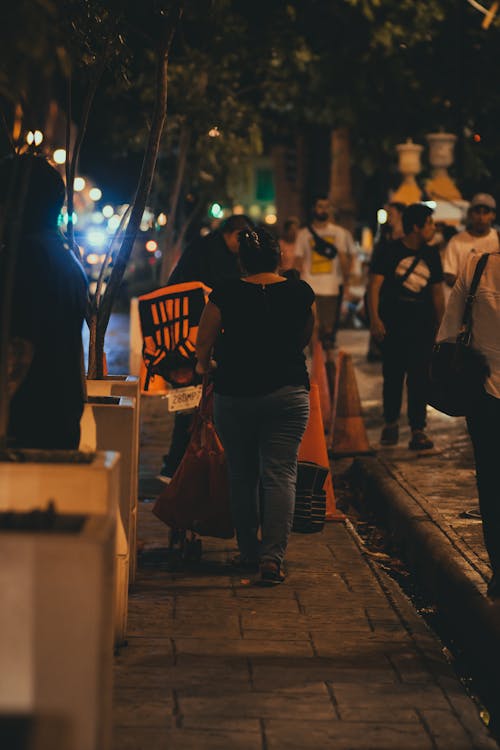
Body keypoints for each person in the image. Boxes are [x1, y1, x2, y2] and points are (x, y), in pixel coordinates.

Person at [195, 228, 314, 585]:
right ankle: (272, 560)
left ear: (242, 260)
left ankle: (248, 552)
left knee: (242, 475)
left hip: (236, 394)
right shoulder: (299, 292)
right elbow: (305, 337)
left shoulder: (226, 293)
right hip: (289, 394)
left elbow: (204, 343)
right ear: (278, 257)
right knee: (280, 475)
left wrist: (207, 365)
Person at [158, 213, 253, 482]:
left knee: (198, 406)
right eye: (241, 239)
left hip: (192, 339)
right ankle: (178, 466)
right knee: (189, 404)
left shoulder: (214, 250)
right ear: (231, 234)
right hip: (187, 340)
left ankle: (182, 465)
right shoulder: (212, 254)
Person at [2, 153, 87, 449]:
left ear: (16, 204)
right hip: (58, 422)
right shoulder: (65, 256)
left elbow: (18, 349)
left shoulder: (24, 258)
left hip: (23, 433)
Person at [437, 250, 500, 598]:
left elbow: (447, 333)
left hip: (485, 395)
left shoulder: (477, 267)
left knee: (491, 483)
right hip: (485, 395)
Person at [367, 203, 445, 450]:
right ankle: (390, 423)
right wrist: (375, 319)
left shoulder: (432, 254)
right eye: (430, 224)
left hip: (421, 326)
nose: (433, 228)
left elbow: (437, 294)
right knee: (392, 376)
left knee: (419, 378)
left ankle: (418, 429)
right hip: (393, 325)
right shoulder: (388, 251)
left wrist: (441, 327)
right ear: (416, 227)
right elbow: (374, 287)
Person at [295, 196, 354, 350]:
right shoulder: (303, 234)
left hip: (331, 287)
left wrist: (347, 282)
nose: (324, 210)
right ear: (313, 209)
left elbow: (343, 259)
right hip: (309, 286)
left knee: (328, 331)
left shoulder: (339, 233)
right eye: (321, 206)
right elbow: (298, 261)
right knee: (312, 327)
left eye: (327, 206)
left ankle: (326, 364)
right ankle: (316, 364)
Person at [366, 202, 406, 361]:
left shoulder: (407, 240)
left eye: (391, 214)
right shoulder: (383, 237)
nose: (388, 218)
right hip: (382, 292)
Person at [442, 193, 499, 290]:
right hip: (466, 302)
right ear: (470, 214)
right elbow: (449, 276)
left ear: (493, 215)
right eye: (477, 212)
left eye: (485, 212)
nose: (481, 217)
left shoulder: (498, 239)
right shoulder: (456, 241)